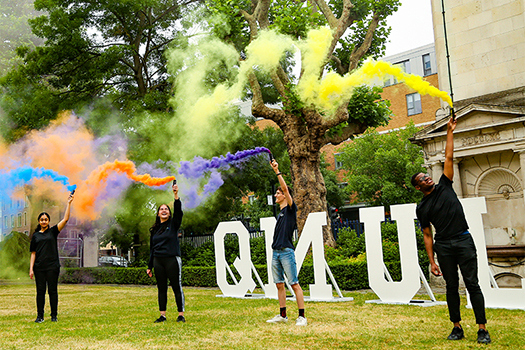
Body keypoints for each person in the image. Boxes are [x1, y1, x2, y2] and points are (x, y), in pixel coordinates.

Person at [411, 116, 491, 344]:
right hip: (444, 246)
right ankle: (456, 327)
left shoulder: (445, 184)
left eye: (427, 175)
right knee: (452, 287)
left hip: (464, 240)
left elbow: (448, 156)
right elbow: (427, 234)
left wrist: (449, 131)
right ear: (419, 187)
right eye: (423, 178)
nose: (428, 177)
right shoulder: (422, 206)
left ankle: (482, 329)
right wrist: (431, 260)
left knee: (473, 284)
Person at [266, 159, 307, 326]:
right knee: (279, 285)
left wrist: (277, 171)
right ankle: (283, 315)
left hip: (286, 252)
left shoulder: (291, 209)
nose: (276, 195)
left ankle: (302, 317)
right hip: (276, 252)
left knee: (294, 284)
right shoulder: (280, 214)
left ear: (284, 195)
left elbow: (284, 188)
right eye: (276, 193)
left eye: (278, 193)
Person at [29, 192, 74, 323]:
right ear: (39, 221)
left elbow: (65, 219)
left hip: (52, 267)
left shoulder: (53, 231)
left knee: (52, 291)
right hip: (39, 268)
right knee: (40, 292)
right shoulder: (35, 236)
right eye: (42, 219)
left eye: (46, 219)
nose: (44, 221)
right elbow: (33, 253)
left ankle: (54, 315)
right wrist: (31, 269)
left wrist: (69, 203)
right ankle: (40, 316)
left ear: (48, 221)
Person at [147, 182, 185, 323]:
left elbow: (179, 212)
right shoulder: (154, 230)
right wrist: (149, 266)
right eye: (161, 209)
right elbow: (152, 248)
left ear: (169, 213)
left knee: (176, 286)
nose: (164, 211)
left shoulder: (173, 224)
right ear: (158, 213)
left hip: (172, 260)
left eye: (166, 209)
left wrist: (175, 195)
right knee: (161, 288)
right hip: (158, 261)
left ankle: (181, 314)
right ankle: (162, 315)